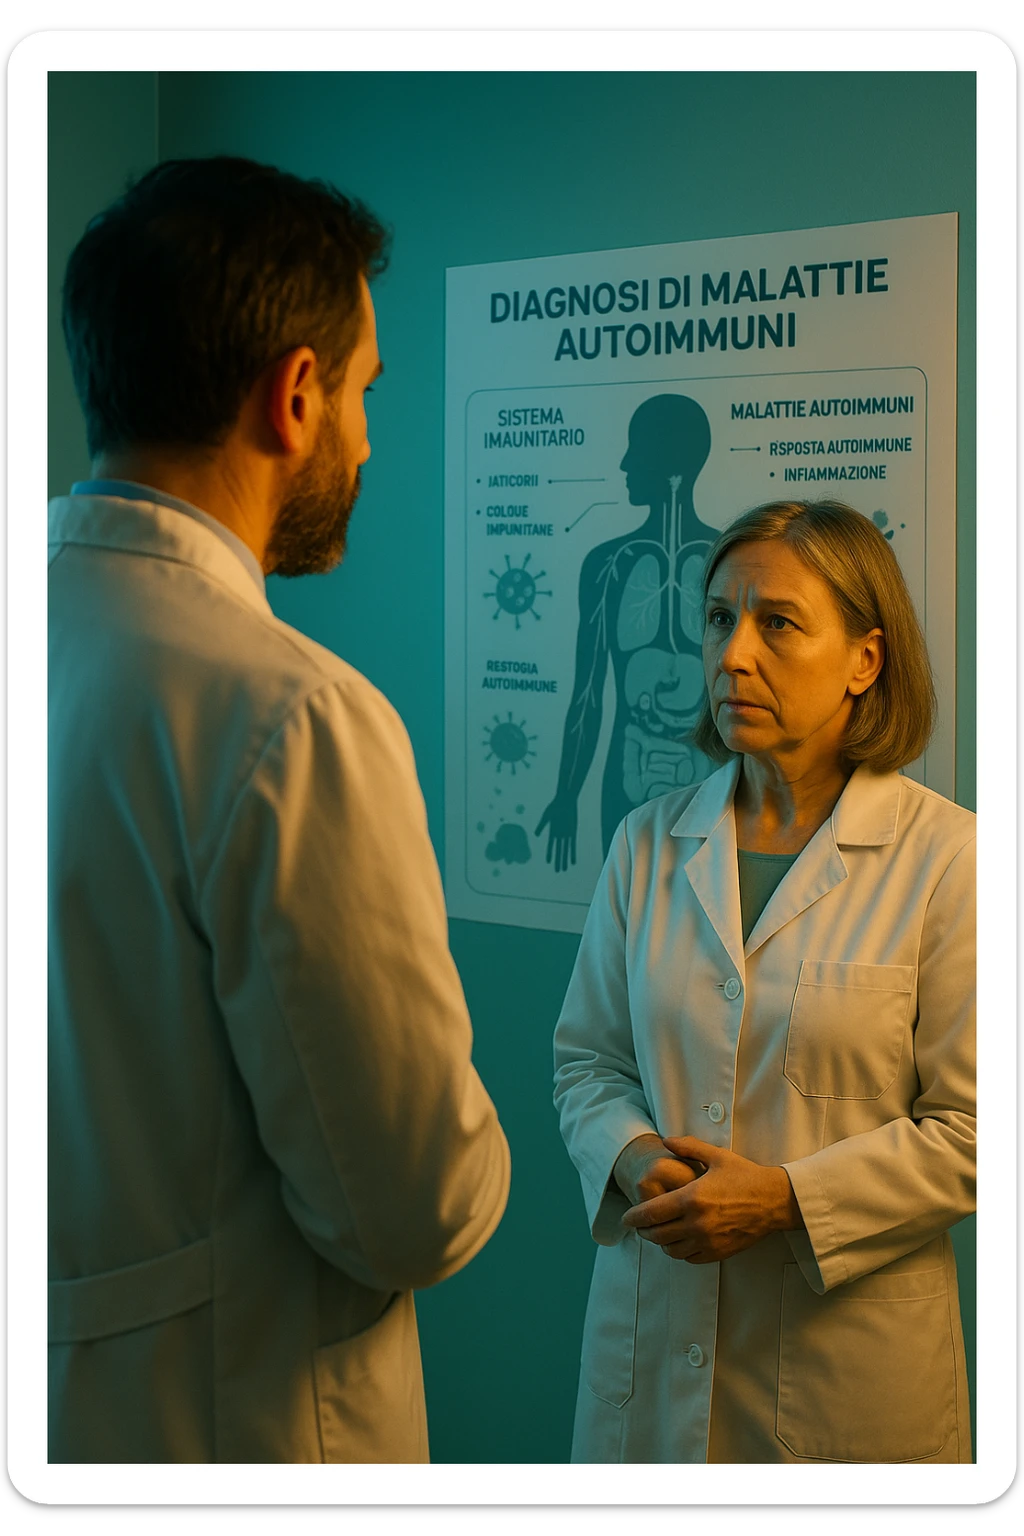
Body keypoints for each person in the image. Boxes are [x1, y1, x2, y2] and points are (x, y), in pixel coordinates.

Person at [48, 157, 510, 1464]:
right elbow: (411, 1211)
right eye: (365, 392)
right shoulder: (292, 714)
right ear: (295, 395)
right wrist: (483, 1161)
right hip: (235, 1427)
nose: (365, 441)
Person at [553, 499, 974, 1463]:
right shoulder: (648, 842)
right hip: (650, 1344)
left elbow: (978, 1130)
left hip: (845, 1380)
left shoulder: (951, 861)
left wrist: (784, 1200)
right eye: (718, 619)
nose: (732, 655)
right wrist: (630, 1155)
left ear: (865, 660)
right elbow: (587, 1063)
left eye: (777, 623)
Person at [536, 394, 719, 870]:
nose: (624, 464)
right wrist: (565, 795)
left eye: (636, 448)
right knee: (626, 910)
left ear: (667, 459)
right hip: (626, 781)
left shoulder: (731, 558)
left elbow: (587, 697)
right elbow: (588, 695)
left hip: (715, 784)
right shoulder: (606, 565)